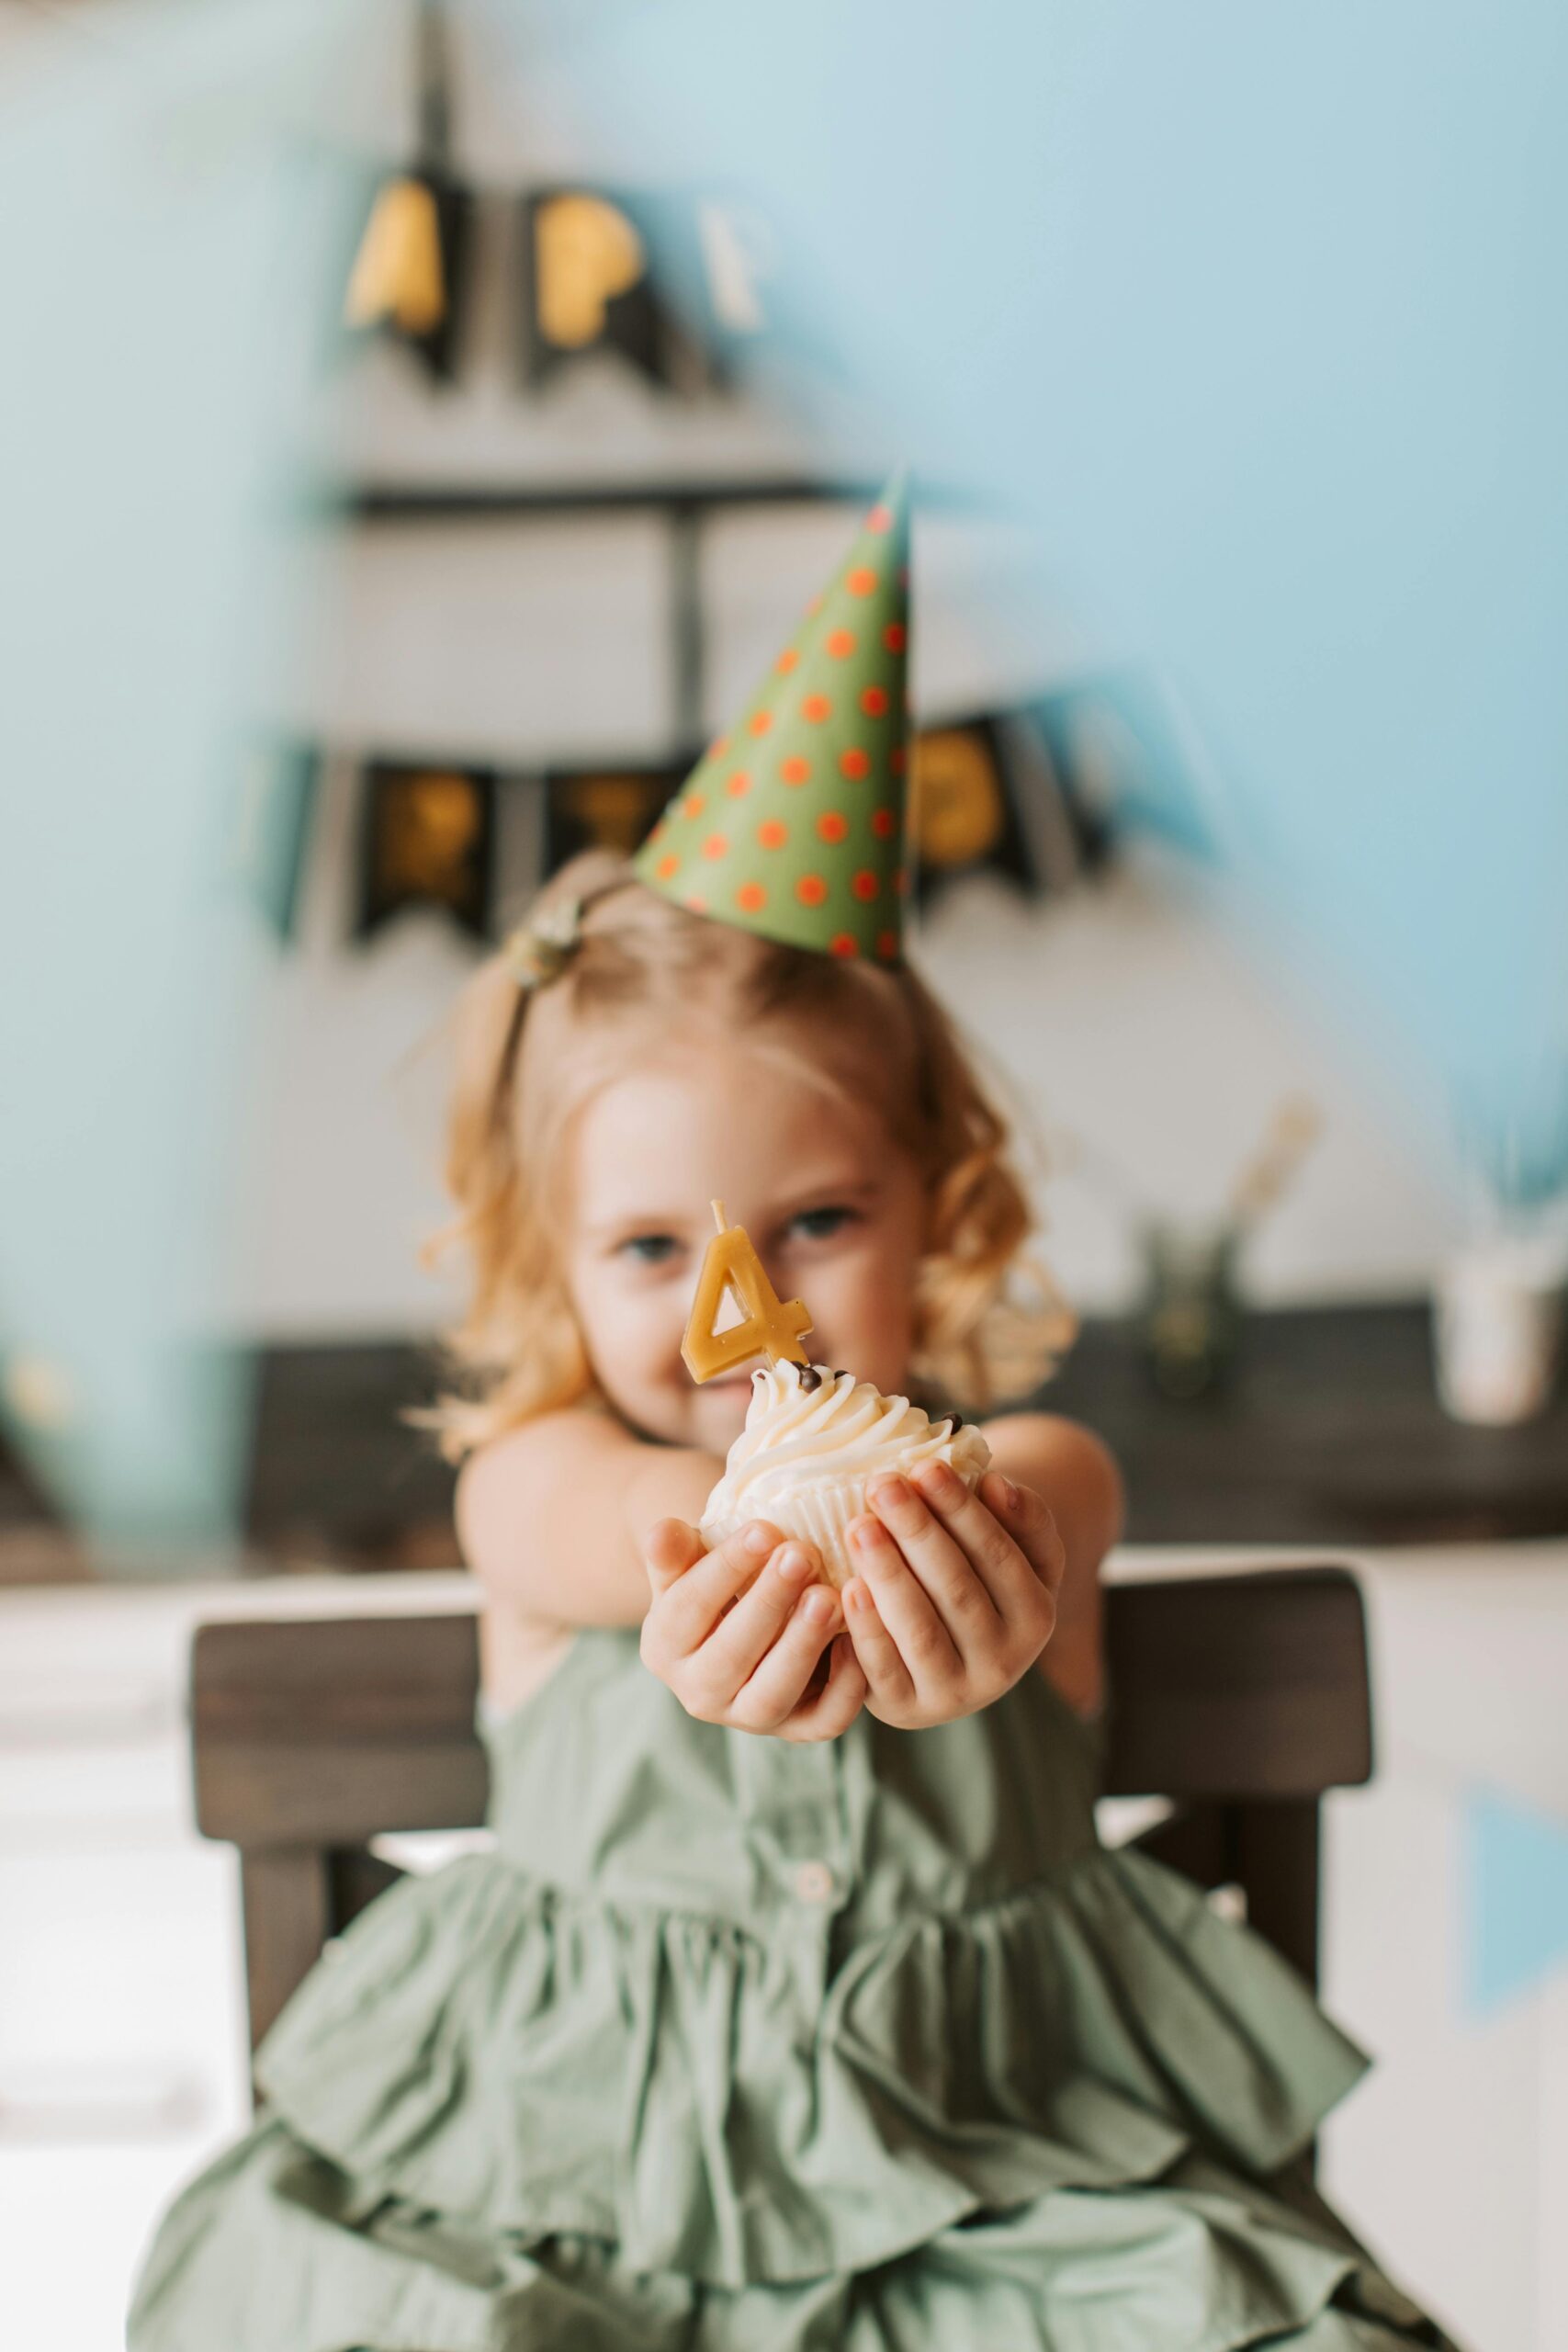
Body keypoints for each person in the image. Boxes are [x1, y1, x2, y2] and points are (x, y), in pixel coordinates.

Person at [130, 486, 1453, 2350]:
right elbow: (573, 1529)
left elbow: (1046, 1494)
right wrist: (688, 1567)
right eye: (651, 1242)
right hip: (569, 2213)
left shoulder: (1031, 1476)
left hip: (1008, 2197)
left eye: (813, 1222)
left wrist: (974, 1580)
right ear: (553, 1261)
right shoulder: (544, 1480)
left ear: (939, 1205)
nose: (726, 1305)